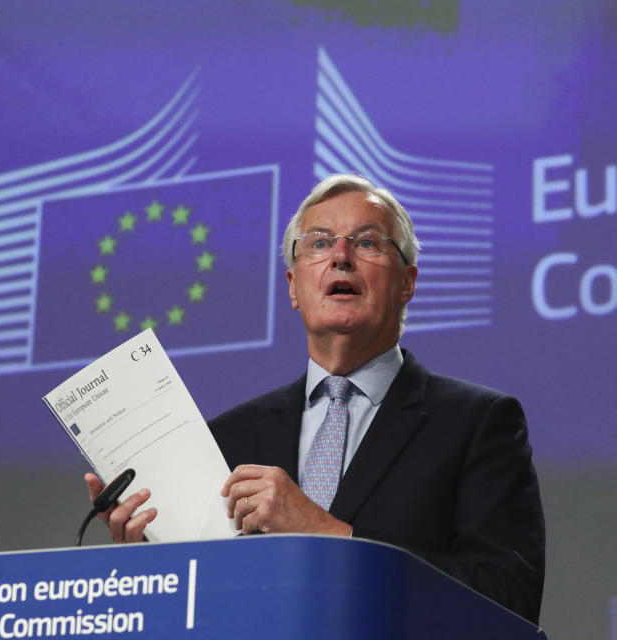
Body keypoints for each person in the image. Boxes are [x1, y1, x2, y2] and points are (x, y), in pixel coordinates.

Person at [86, 174, 546, 623]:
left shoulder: (479, 423)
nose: (341, 257)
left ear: (407, 283)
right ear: (292, 285)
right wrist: (152, 568)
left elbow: (507, 599)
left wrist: (324, 533)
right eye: (320, 242)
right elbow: (207, 608)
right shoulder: (226, 439)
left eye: (367, 242)